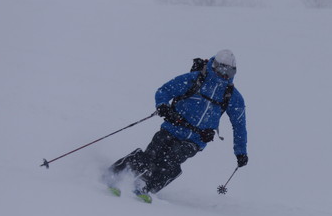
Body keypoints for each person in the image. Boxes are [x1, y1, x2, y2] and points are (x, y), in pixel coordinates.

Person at [104, 49, 248, 202]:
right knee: (150, 156)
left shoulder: (232, 96)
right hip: (172, 128)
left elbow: (239, 125)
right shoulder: (194, 79)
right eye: (222, 69)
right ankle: (113, 174)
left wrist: (241, 152)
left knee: (171, 162)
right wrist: (163, 106)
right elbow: (164, 91)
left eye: (230, 71)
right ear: (214, 65)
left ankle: (145, 188)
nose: (224, 75)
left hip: (195, 139)